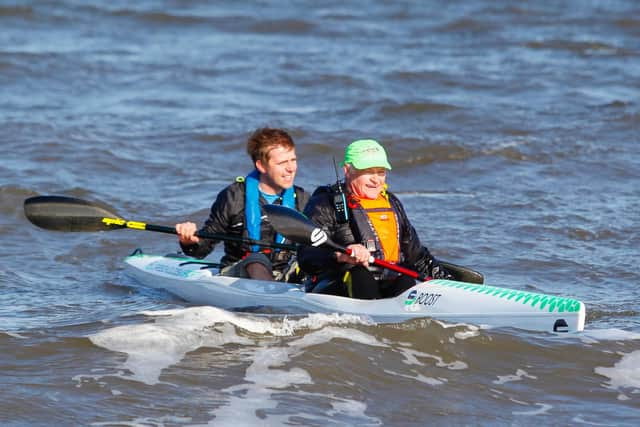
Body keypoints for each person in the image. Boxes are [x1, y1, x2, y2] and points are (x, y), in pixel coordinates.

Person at [298, 139, 453, 299]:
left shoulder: (392, 203)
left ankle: (395, 320)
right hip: (337, 283)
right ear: (347, 170)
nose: (376, 179)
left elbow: (417, 257)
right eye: (368, 172)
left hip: (386, 282)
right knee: (360, 276)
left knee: (406, 280)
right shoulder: (324, 203)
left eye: (381, 172)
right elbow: (307, 256)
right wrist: (341, 256)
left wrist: (448, 283)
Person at [176, 128, 310, 281]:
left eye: (293, 160)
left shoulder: (303, 199)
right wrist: (189, 241)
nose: (291, 168)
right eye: (282, 162)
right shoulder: (233, 197)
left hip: (284, 272)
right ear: (261, 166)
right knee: (256, 259)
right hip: (238, 272)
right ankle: (271, 299)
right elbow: (202, 249)